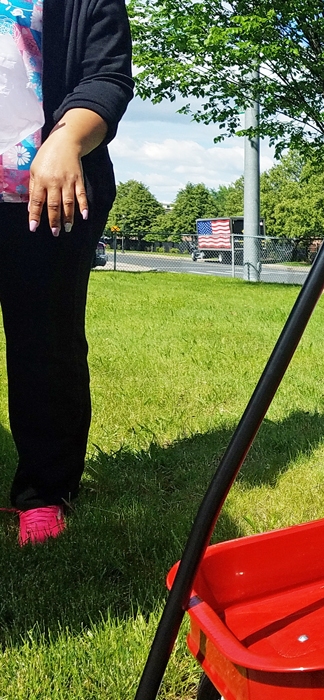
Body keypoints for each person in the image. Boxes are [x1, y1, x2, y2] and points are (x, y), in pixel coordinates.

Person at [0, 0, 133, 545]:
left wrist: (66, 140)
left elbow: (106, 76)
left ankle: (44, 493)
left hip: (44, 194)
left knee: (45, 345)